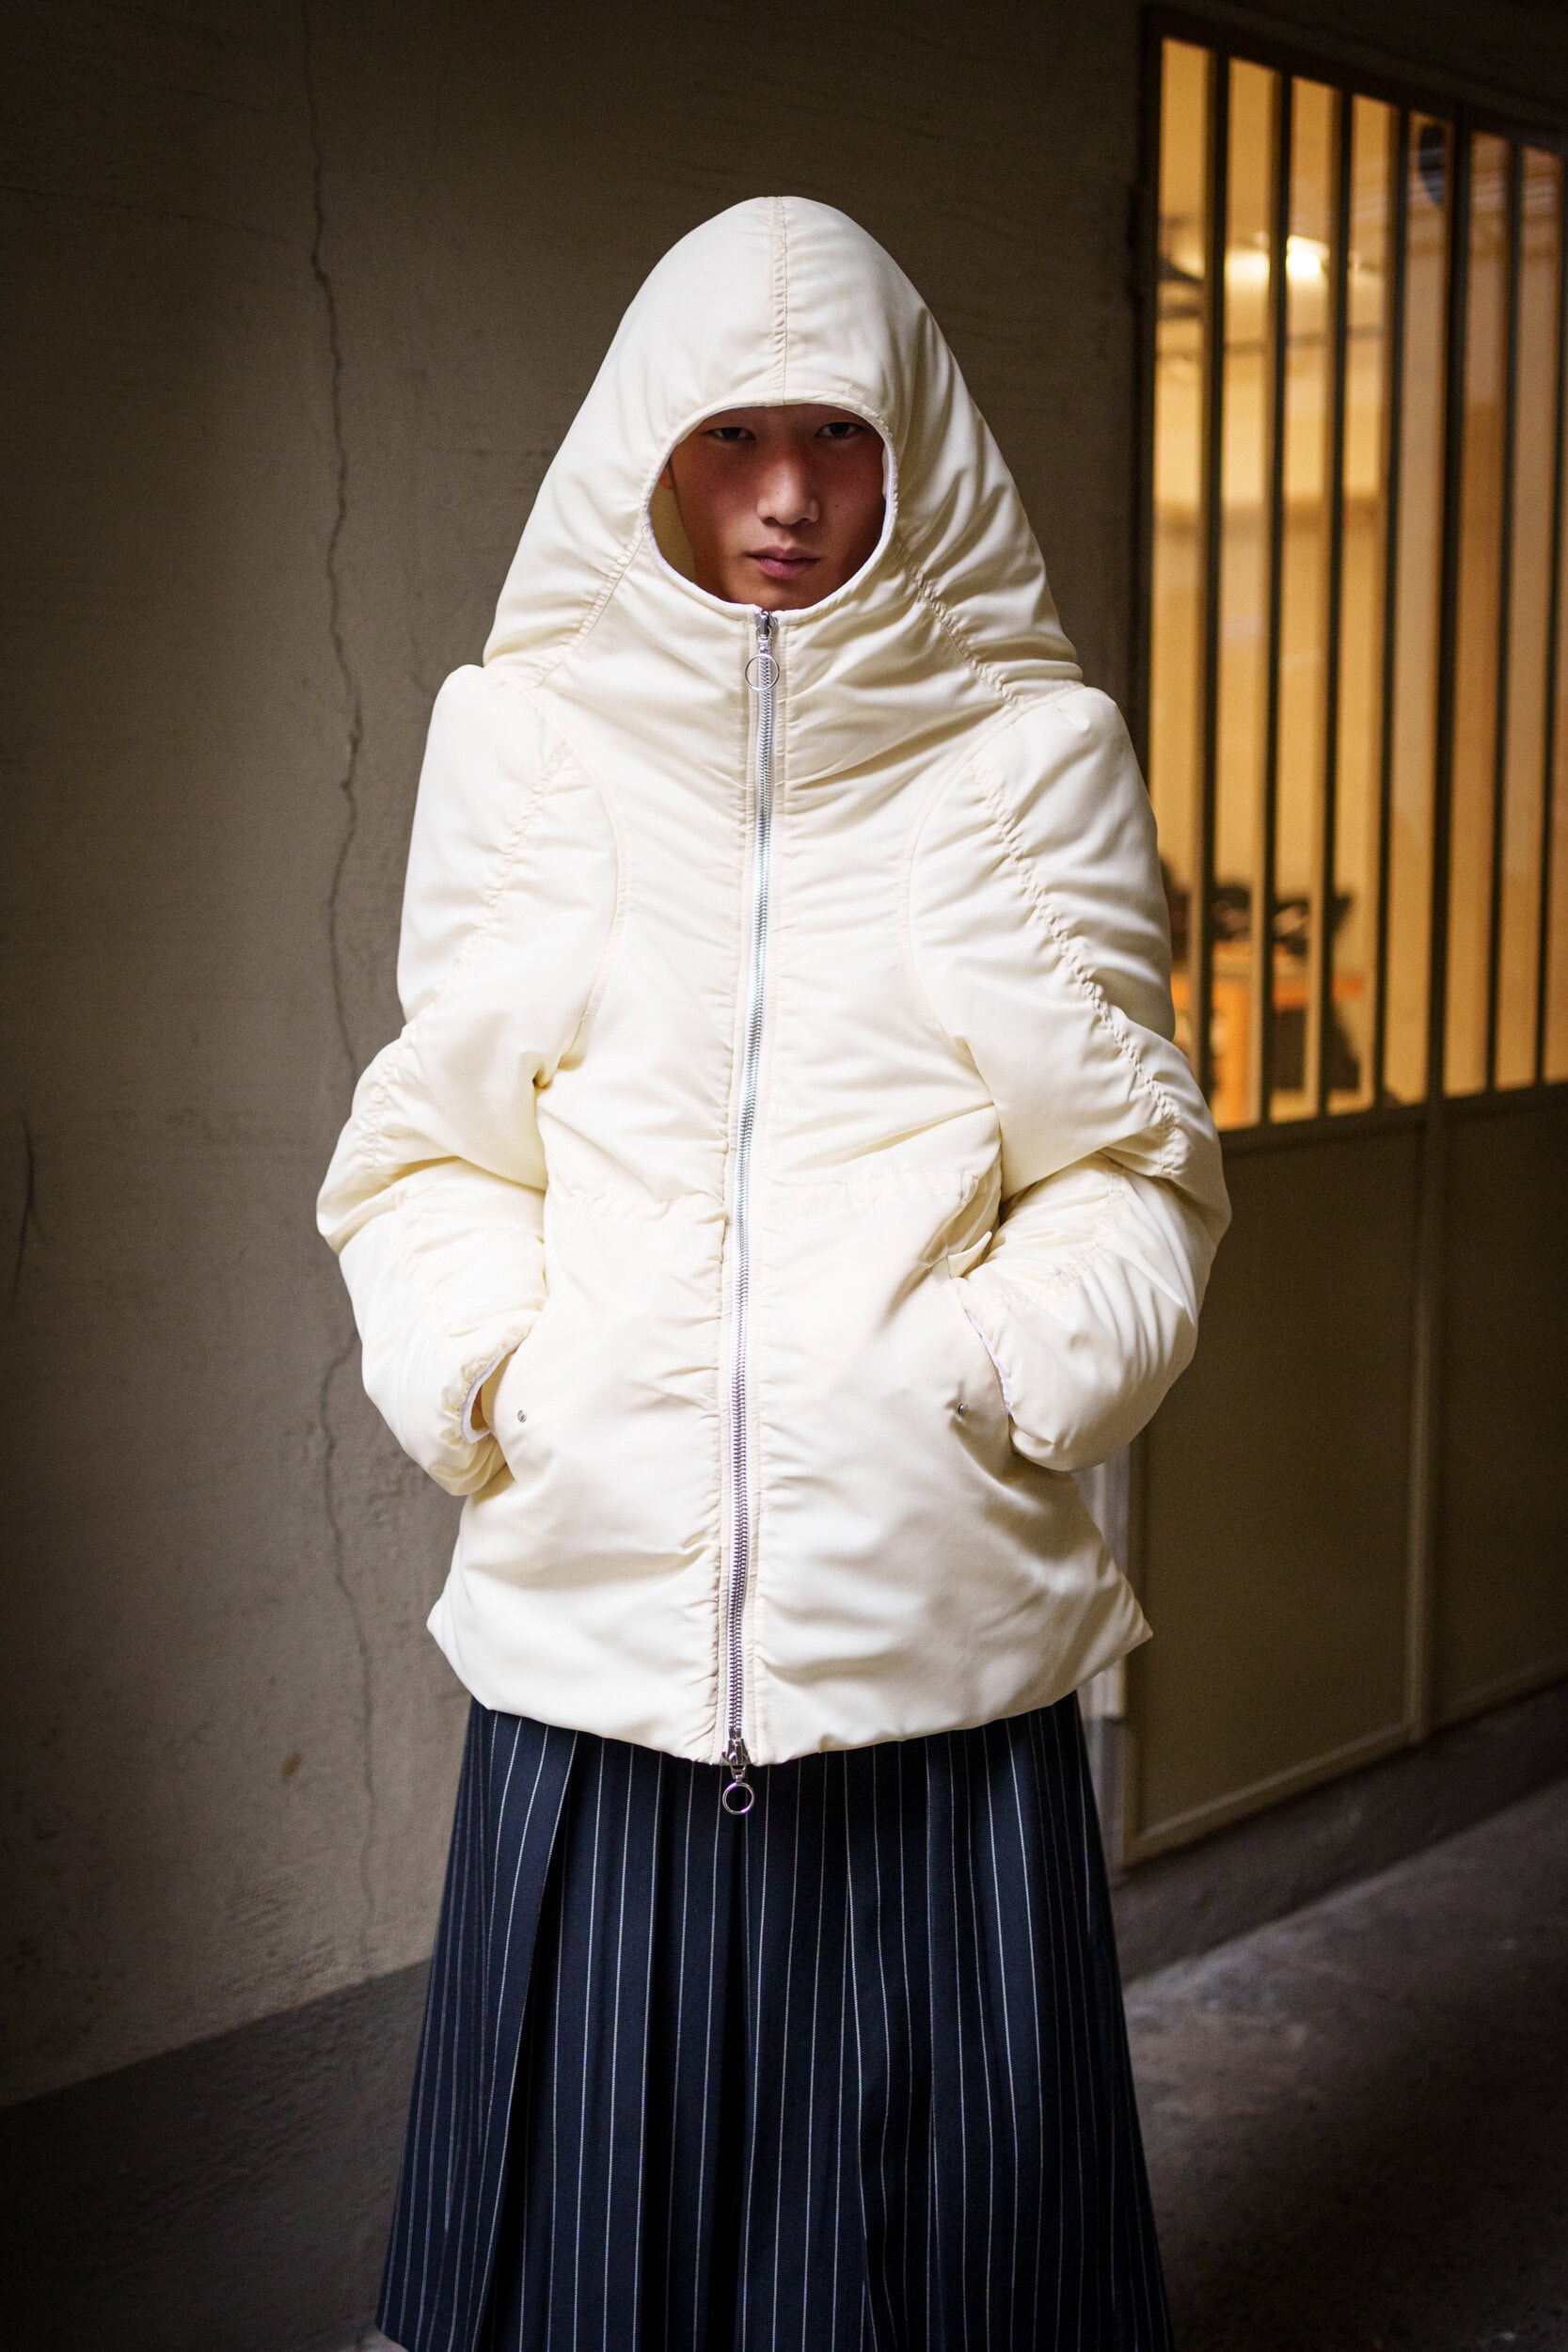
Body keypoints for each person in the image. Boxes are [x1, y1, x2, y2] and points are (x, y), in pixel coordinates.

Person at [319, 196, 1228, 2352]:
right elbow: (434, 1147)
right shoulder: (521, 746)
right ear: (648, 445)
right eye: (734, 435)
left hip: (931, 1659)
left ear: (922, 451)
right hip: (599, 1644)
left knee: (934, 2264)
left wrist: (988, 1375)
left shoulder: (1031, 762)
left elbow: (1135, 1168)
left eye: (838, 434)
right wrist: (507, 1376)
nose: (793, 494)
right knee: (583, 2259)